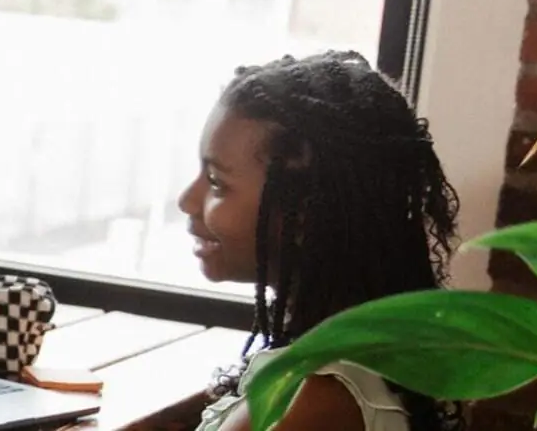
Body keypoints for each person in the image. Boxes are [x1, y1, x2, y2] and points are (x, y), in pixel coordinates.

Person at [178, 52, 461, 431]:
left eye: (216, 182)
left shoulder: (313, 398)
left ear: (306, 209)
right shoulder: (346, 355)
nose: (187, 200)